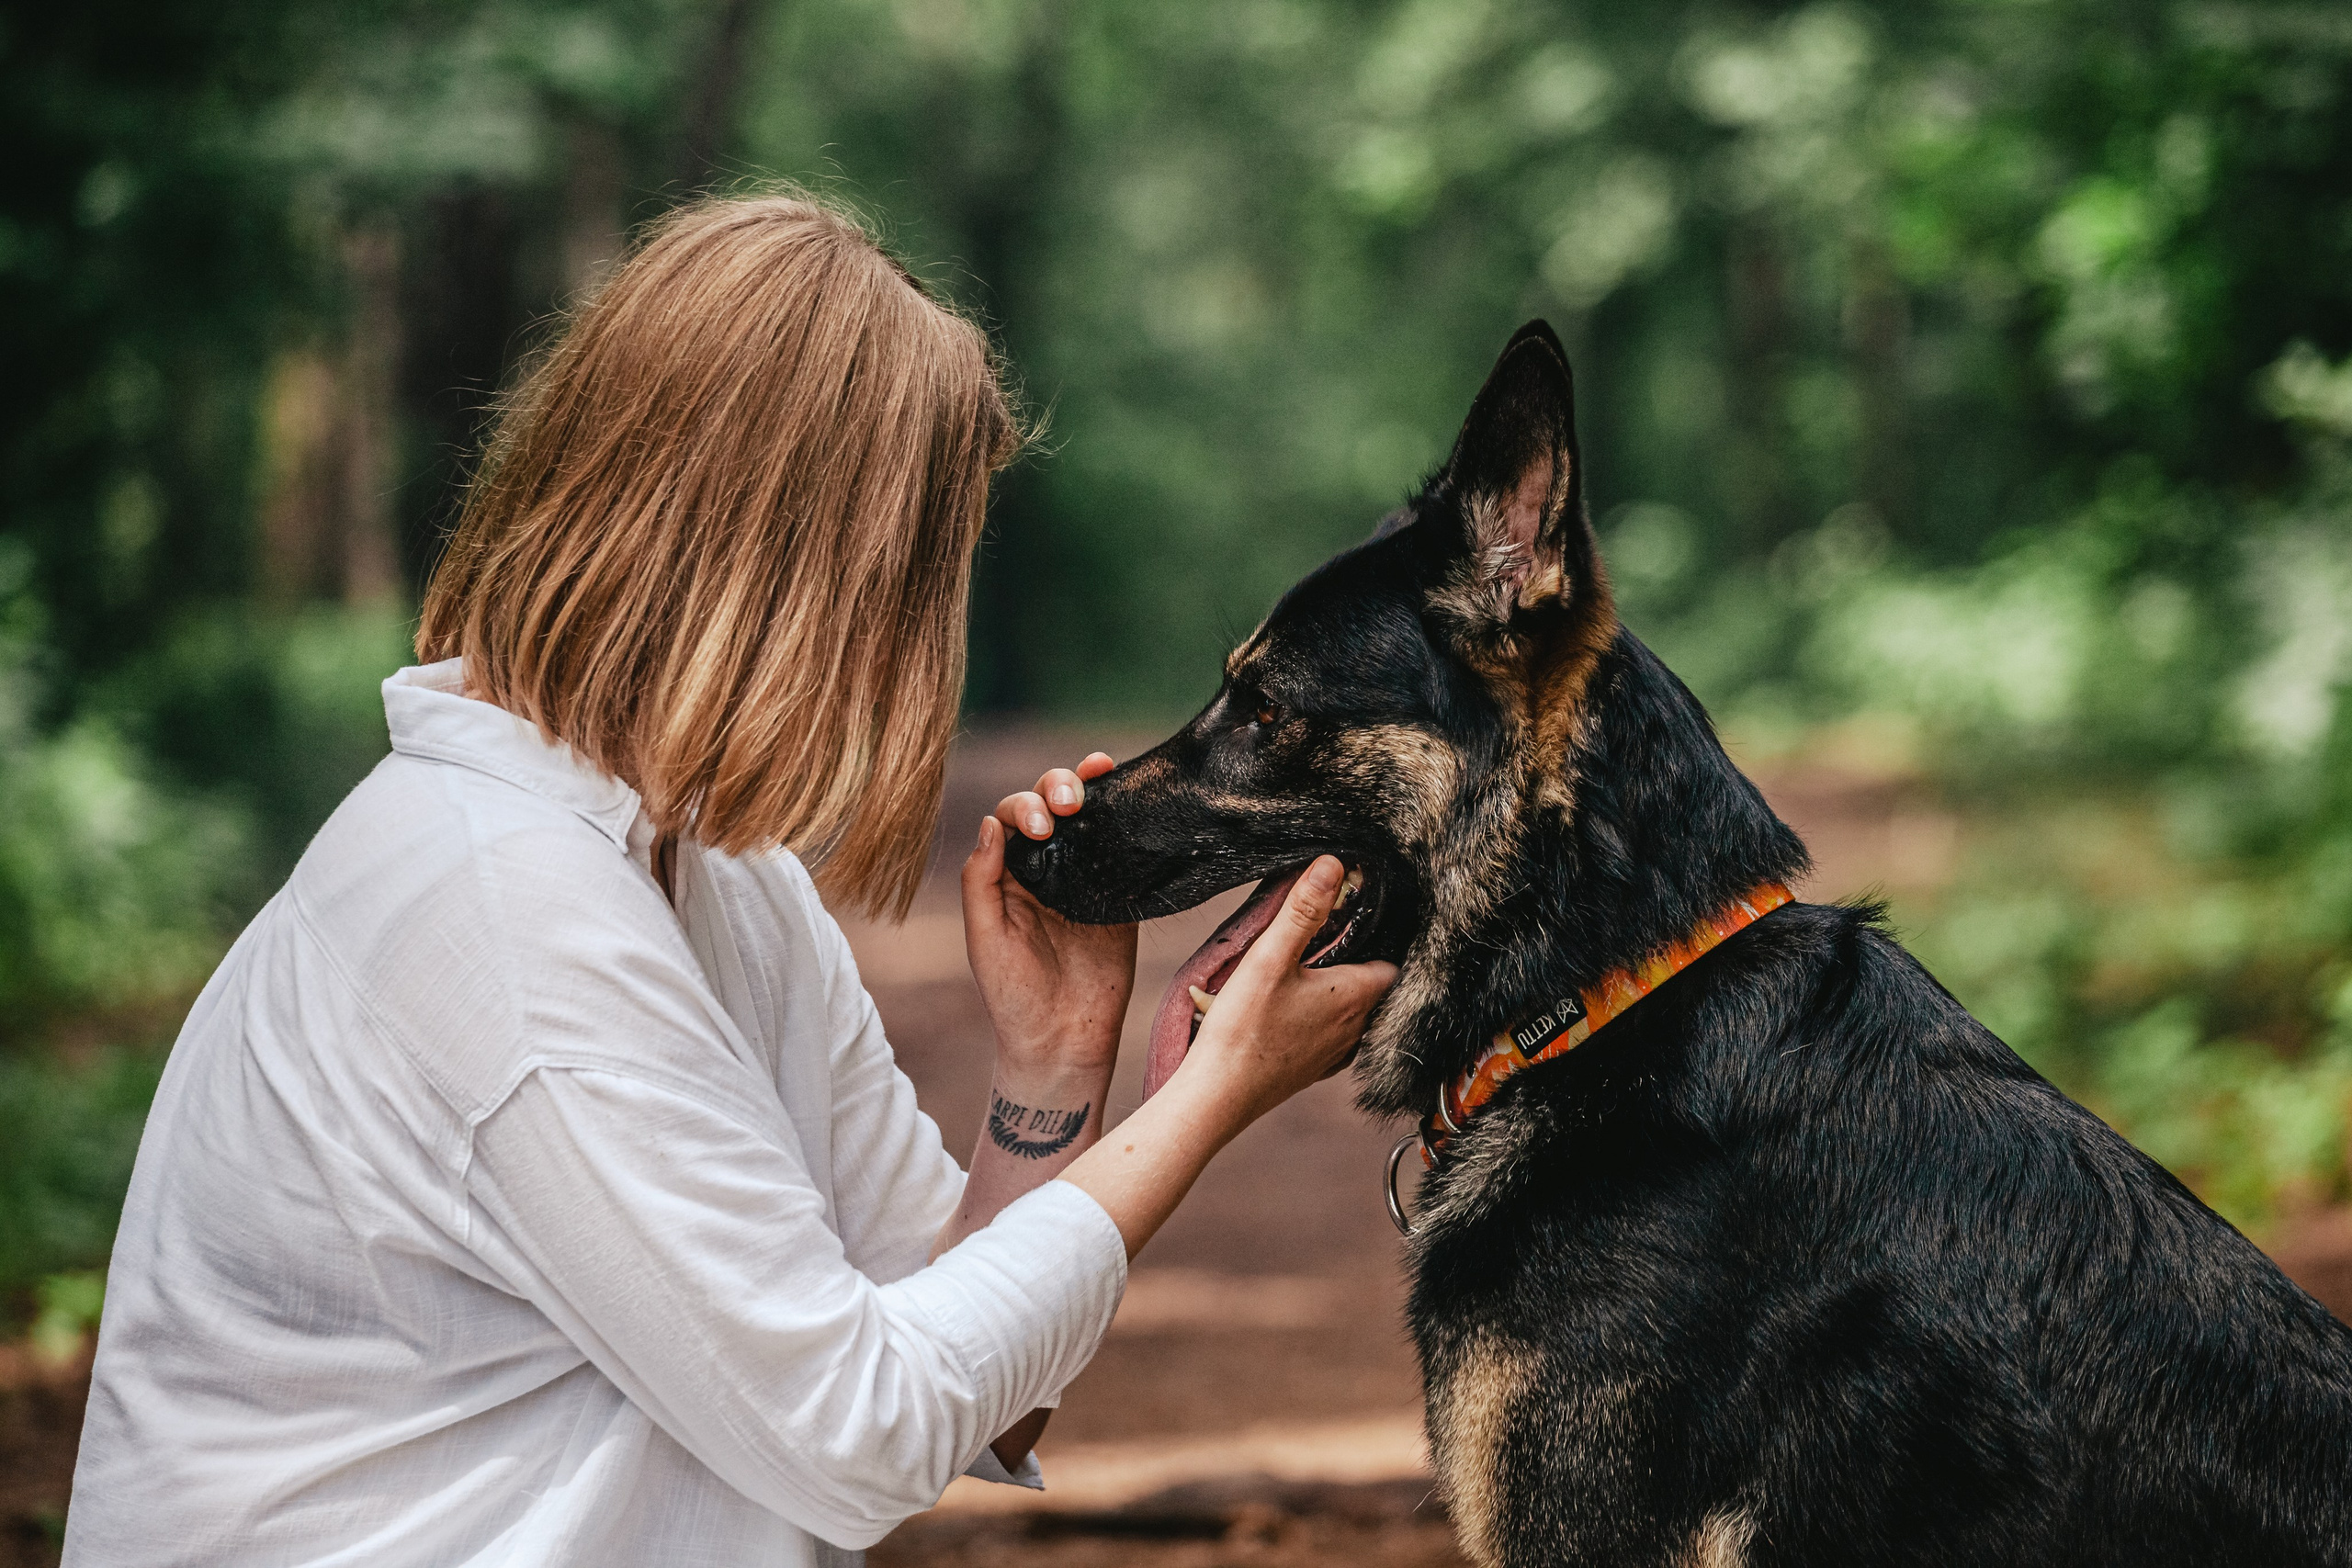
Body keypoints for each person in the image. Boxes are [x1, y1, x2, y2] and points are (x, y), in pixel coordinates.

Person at [62, 194, 1396, 1566]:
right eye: (918, 579)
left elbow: (980, 1384)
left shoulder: (711, 877)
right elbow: (866, 1434)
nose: (921, 639)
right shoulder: (505, 917)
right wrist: (1212, 1096)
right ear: (805, 574)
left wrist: (1053, 1066)